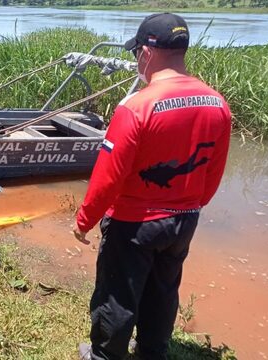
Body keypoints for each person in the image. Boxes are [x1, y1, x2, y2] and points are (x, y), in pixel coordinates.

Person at [72, 13, 232, 360]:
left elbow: (109, 176)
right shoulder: (216, 102)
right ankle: (152, 352)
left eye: (136, 55)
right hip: (185, 219)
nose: (136, 62)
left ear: (146, 53)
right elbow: (213, 172)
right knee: (163, 291)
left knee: (118, 293)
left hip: (134, 222)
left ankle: (105, 356)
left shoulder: (137, 106)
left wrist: (84, 220)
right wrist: (188, 204)